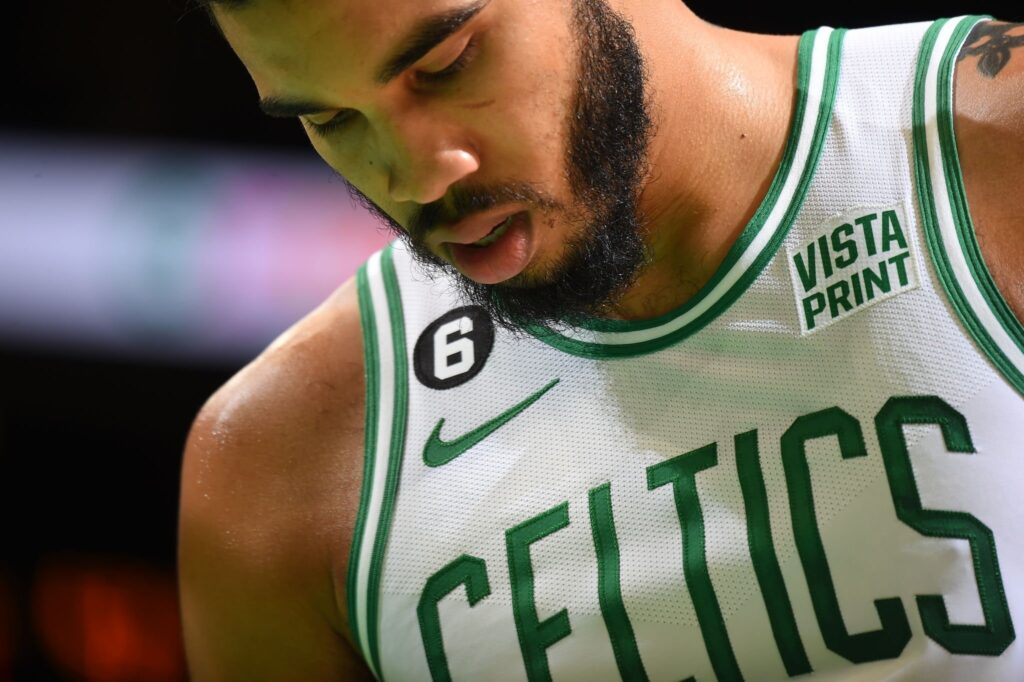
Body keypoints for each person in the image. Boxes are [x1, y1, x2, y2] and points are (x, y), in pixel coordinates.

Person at [177, 0, 1024, 679]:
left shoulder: (996, 144)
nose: (419, 172)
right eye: (333, 118)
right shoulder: (279, 464)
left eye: (448, 63)